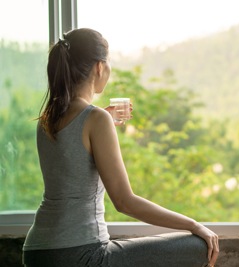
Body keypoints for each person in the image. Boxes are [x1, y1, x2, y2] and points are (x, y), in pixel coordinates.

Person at [22, 28, 219, 267]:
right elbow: (124, 201)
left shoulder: (48, 118)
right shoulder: (95, 120)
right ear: (99, 67)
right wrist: (193, 224)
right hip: (81, 255)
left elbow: (70, 155)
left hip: (36, 252)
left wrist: (98, 121)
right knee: (200, 246)